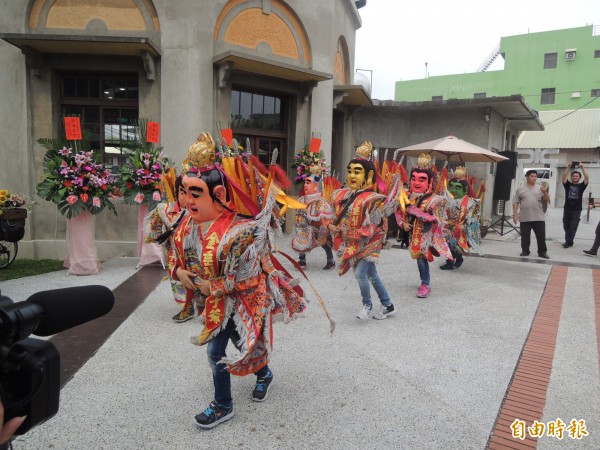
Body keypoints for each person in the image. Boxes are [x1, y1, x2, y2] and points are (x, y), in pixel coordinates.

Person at [169, 133, 306, 429]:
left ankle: (223, 405)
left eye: (196, 193)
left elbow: (249, 278)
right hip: (214, 302)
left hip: (240, 300)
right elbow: (175, 257)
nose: (188, 200)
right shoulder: (185, 225)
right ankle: (264, 373)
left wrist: (212, 287)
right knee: (240, 340)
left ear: (218, 192)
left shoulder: (240, 233)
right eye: (184, 191)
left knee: (215, 351)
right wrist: (179, 273)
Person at [328, 141, 399, 320]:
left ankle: (367, 305)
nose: (352, 175)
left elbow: (372, 228)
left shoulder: (374, 199)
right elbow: (335, 217)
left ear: (368, 175)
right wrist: (331, 226)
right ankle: (388, 305)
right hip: (354, 242)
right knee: (372, 275)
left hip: (370, 242)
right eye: (350, 170)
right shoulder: (341, 195)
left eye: (357, 172)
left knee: (360, 274)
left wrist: (349, 233)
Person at [396, 154, 452, 298]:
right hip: (411, 232)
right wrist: (403, 223)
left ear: (430, 182)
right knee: (418, 257)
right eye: (413, 179)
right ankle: (424, 281)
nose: (416, 183)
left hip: (425, 232)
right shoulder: (407, 196)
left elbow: (437, 218)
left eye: (422, 180)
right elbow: (399, 212)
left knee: (421, 257)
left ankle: (425, 283)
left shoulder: (435, 199)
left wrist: (418, 213)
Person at [145, 173, 191, 322]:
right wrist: (155, 236)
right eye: (183, 192)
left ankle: (195, 305)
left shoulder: (203, 210)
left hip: (197, 251)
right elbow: (155, 227)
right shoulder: (164, 209)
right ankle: (186, 306)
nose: (187, 197)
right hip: (175, 252)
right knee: (177, 278)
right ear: (177, 191)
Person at [291, 168, 336, 270]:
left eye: (308, 183)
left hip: (316, 228)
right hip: (303, 228)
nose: (305, 185)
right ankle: (302, 261)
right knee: (301, 239)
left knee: (325, 244)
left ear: (316, 186)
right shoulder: (302, 199)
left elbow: (324, 219)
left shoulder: (320, 202)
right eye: (305, 183)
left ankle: (330, 260)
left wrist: (324, 231)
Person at [440, 167, 482, 270]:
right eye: (452, 187)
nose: (453, 190)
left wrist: (466, 224)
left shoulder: (472, 202)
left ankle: (458, 259)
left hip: (461, 227)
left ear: (465, 189)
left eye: (458, 188)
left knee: (455, 245)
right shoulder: (447, 199)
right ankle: (449, 261)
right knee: (446, 244)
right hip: (447, 226)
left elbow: (474, 217)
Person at [513, 169, 550, 259]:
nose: (534, 178)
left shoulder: (540, 188)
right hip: (525, 216)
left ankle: (542, 252)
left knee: (541, 236)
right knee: (525, 236)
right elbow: (516, 202)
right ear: (527, 177)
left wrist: (545, 192)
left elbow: (546, 200)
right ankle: (525, 251)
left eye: (535, 176)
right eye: (532, 176)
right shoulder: (520, 189)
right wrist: (515, 215)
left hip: (539, 216)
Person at [561, 161, 589, 248]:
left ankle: (568, 242)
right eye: (573, 176)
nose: (574, 177)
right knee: (566, 226)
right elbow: (564, 176)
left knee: (573, 226)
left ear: (579, 178)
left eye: (576, 176)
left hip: (577, 209)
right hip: (567, 208)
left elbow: (587, 177)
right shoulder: (567, 185)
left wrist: (582, 167)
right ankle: (569, 241)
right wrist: (568, 166)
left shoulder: (582, 186)